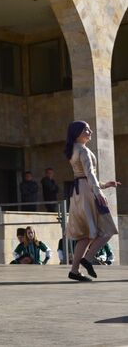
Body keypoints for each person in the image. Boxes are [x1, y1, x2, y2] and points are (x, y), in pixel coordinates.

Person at [64, 121, 120, 282]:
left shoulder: (74, 149)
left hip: (78, 192)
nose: (90, 131)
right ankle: (87, 259)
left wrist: (104, 184)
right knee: (108, 229)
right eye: (86, 129)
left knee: (86, 234)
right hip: (87, 191)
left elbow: (84, 175)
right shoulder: (83, 150)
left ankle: (74, 271)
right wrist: (99, 192)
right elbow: (89, 174)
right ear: (77, 133)